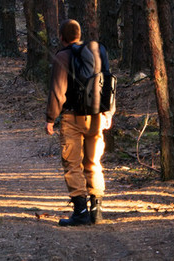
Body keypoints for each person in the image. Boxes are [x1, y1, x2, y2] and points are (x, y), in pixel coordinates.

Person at [45, 19, 113, 226]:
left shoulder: (63, 56)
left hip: (72, 118)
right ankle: (97, 211)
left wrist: (50, 118)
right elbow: (107, 83)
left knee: (72, 164)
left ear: (61, 36)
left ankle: (81, 212)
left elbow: (58, 91)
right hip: (97, 117)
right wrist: (108, 113)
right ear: (79, 34)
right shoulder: (96, 52)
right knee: (93, 163)